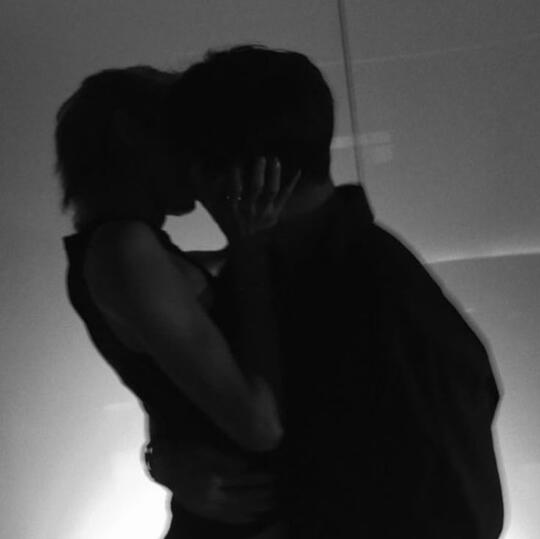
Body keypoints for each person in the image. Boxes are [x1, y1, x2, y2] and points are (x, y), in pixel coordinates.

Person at [150, 45, 505, 538]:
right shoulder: (281, 275)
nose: (193, 192)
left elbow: (457, 515)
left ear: (240, 174)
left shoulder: (378, 300)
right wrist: (168, 460)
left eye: (197, 166)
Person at [55, 66, 298, 538]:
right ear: (132, 133)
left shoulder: (126, 250)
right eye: (184, 136)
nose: (199, 155)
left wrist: (161, 457)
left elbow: (175, 377)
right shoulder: (124, 248)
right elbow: (259, 425)